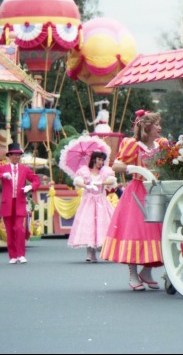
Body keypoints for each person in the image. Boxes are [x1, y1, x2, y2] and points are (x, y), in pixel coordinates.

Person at [100, 111, 166, 291]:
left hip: (158, 191)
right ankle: (133, 275)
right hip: (138, 192)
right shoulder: (132, 145)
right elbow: (116, 165)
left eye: (159, 124)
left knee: (160, 232)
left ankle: (147, 271)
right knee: (135, 232)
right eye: (156, 125)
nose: (160, 128)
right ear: (146, 127)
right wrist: (133, 167)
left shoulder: (162, 144)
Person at [0, 143, 41, 264]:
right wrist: (2, 175)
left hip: (19, 202)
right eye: (14, 155)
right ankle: (12, 256)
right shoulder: (3, 168)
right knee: (10, 230)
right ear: (9, 156)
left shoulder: (24, 169)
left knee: (19, 229)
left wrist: (30, 187)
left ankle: (21, 254)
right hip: (7, 203)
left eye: (19, 155)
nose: (17, 157)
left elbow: (36, 179)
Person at [67, 151, 116, 263]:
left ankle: (101, 250)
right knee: (89, 224)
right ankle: (90, 253)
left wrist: (100, 184)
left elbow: (111, 181)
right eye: (99, 159)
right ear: (94, 159)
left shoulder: (104, 172)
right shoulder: (85, 171)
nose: (101, 162)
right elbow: (77, 182)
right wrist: (87, 185)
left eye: (102, 160)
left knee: (101, 224)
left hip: (100, 200)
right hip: (88, 200)